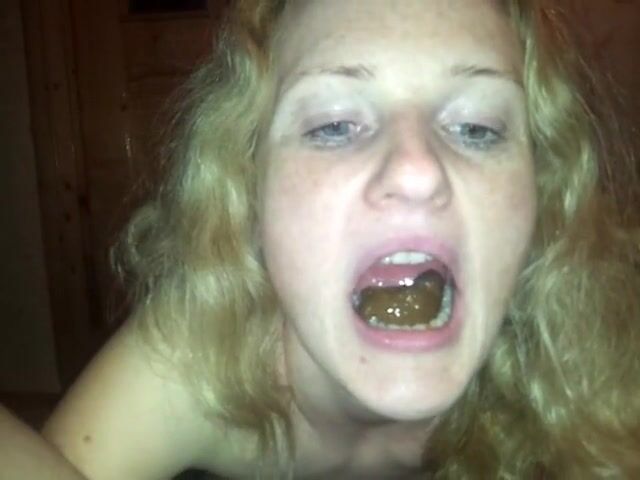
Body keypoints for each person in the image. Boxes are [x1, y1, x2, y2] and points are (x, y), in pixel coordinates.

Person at [42, 0, 640, 478]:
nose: (417, 169)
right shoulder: (191, 360)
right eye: (333, 125)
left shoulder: (580, 370)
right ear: (248, 193)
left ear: (541, 195)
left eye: (477, 127)